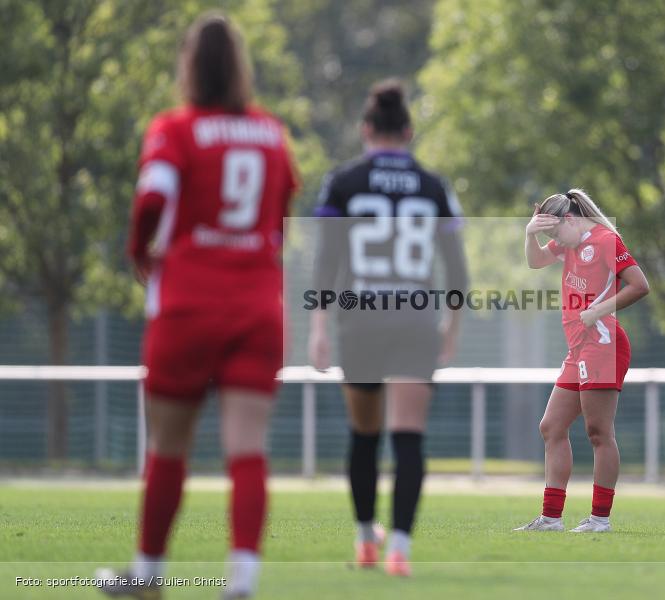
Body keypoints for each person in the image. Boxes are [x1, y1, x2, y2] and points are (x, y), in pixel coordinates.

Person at [96, 13, 299, 600]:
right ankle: (241, 584)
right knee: (247, 449)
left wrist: (140, 251)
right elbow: (282, 209)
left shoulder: (175, 129)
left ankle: (149, 574)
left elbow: (153, 195)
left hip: (188, 304)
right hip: (258, 306)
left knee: (167, 448)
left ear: (189, 65)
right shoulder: (270, 132)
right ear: (241, 67)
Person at [308, 79, 468, 576]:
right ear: (409, 131)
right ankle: (399, 547)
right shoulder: (434, 185)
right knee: (408, 437)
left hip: (359, 320)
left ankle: (364, 542)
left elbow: (326, 263)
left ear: (366, 130)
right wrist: (452, 326)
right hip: (416, 321)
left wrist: (318, 326)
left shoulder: (344, 181)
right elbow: (458, 270)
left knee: (364, 435)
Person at [516, 190, 649, 533]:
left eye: (555, 234)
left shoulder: (605, 240)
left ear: (571, 220)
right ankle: (550, 519)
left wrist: (598, 311)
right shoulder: (570, 242)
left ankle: (600, 520)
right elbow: (536, 261)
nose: (555, 242)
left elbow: (640, 285)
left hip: (603, 344)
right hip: (579, 348)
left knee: (598, 432)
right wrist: (530, 233)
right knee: (551, 426)